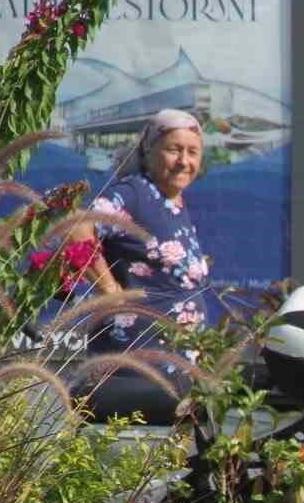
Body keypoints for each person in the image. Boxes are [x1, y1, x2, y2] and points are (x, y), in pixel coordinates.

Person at [77, 109, 212, 354]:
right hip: (134, 364)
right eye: (174, 150)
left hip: (176, 365)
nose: (184, 161)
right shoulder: (135, 193)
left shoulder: (171, 202)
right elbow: (76, 227)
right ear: (149, 150)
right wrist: (108, 289)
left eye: (192, 152)